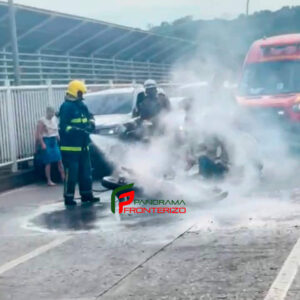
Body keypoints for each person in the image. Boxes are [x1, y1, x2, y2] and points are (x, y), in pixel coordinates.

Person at [59, 80, 100, 207]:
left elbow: (90, 116)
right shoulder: (66, 107)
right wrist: (75, 130)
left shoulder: (82, 105)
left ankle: (87, 195)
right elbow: (63, 126)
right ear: (76, 92)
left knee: (86, 173)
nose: (82, 95)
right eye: (81, 93)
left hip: (83, 146)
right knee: (71, 174)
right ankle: (69, 198)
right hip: (70, 148)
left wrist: (91, 123)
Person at [35, 106, 65, 186]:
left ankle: (63, 177)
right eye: (50, 113)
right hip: (46, 140)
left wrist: (59, 140)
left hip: (53, 140)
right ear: (47, 112)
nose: (52, 115)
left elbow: (56, 131)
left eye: (53, 113)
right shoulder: (42, 121)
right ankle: (49, 180)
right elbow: (39, 134)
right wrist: (42, 144)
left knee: (59, 160)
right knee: (48, 162)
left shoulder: (54, 119)